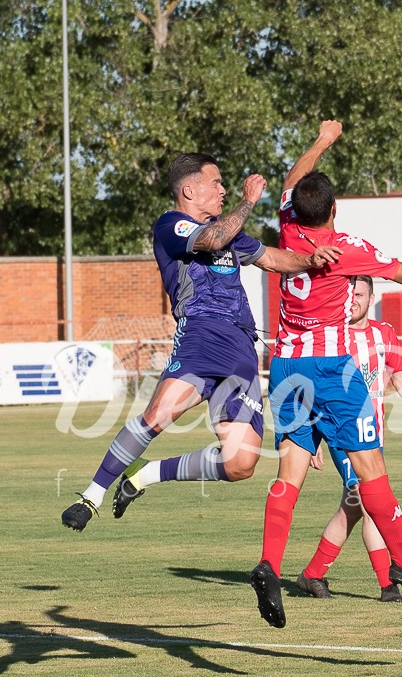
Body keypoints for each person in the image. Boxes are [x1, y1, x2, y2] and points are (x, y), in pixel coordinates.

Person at [251, 119, 402, 629]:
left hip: (284, 366)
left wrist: (321, 141)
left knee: (289, 475)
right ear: (335, 209)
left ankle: (270, 565)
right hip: (332, 371)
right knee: (370, 470)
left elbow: (293, 176)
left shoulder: (289, 226)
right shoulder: (347, 248)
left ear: (295, 207)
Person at [60, 153, 340, 531]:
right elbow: (212, 238)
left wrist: (312, 260)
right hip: (200, 336)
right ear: (189, 190)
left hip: (241, 345)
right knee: (157, 415)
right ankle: (91, 496)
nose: (223, 189)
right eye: (216, 183)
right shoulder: (171, 225)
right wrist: (248, 201)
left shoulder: (229, 231)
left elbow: (272, 258)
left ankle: (144, 475)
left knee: (241, 464)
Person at [294, 275, 402, 603]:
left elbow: (399, 376)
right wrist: (310, 438)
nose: (352, 300)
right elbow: (310, 388)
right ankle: (388, 583)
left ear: (371, 297)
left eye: (359, 294)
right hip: (338, 433)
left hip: (372, 434)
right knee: (367, 498)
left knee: (353, 506)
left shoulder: (383, 333)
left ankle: (312, 574)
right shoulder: (330, 338)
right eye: (347, 294)